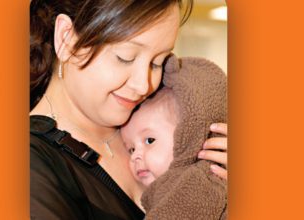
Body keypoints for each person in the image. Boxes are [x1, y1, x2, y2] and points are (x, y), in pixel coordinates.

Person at [30, 0, 227, 219]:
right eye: (125, 58)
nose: (144, 85)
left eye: (158, 62)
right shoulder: (31, 167)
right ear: (66, 38)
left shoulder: (172, 112)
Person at [120, 54, 227, 219]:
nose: (135, 156)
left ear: (188, 134)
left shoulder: (197, 185)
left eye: (149, 140)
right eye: (131, 149)